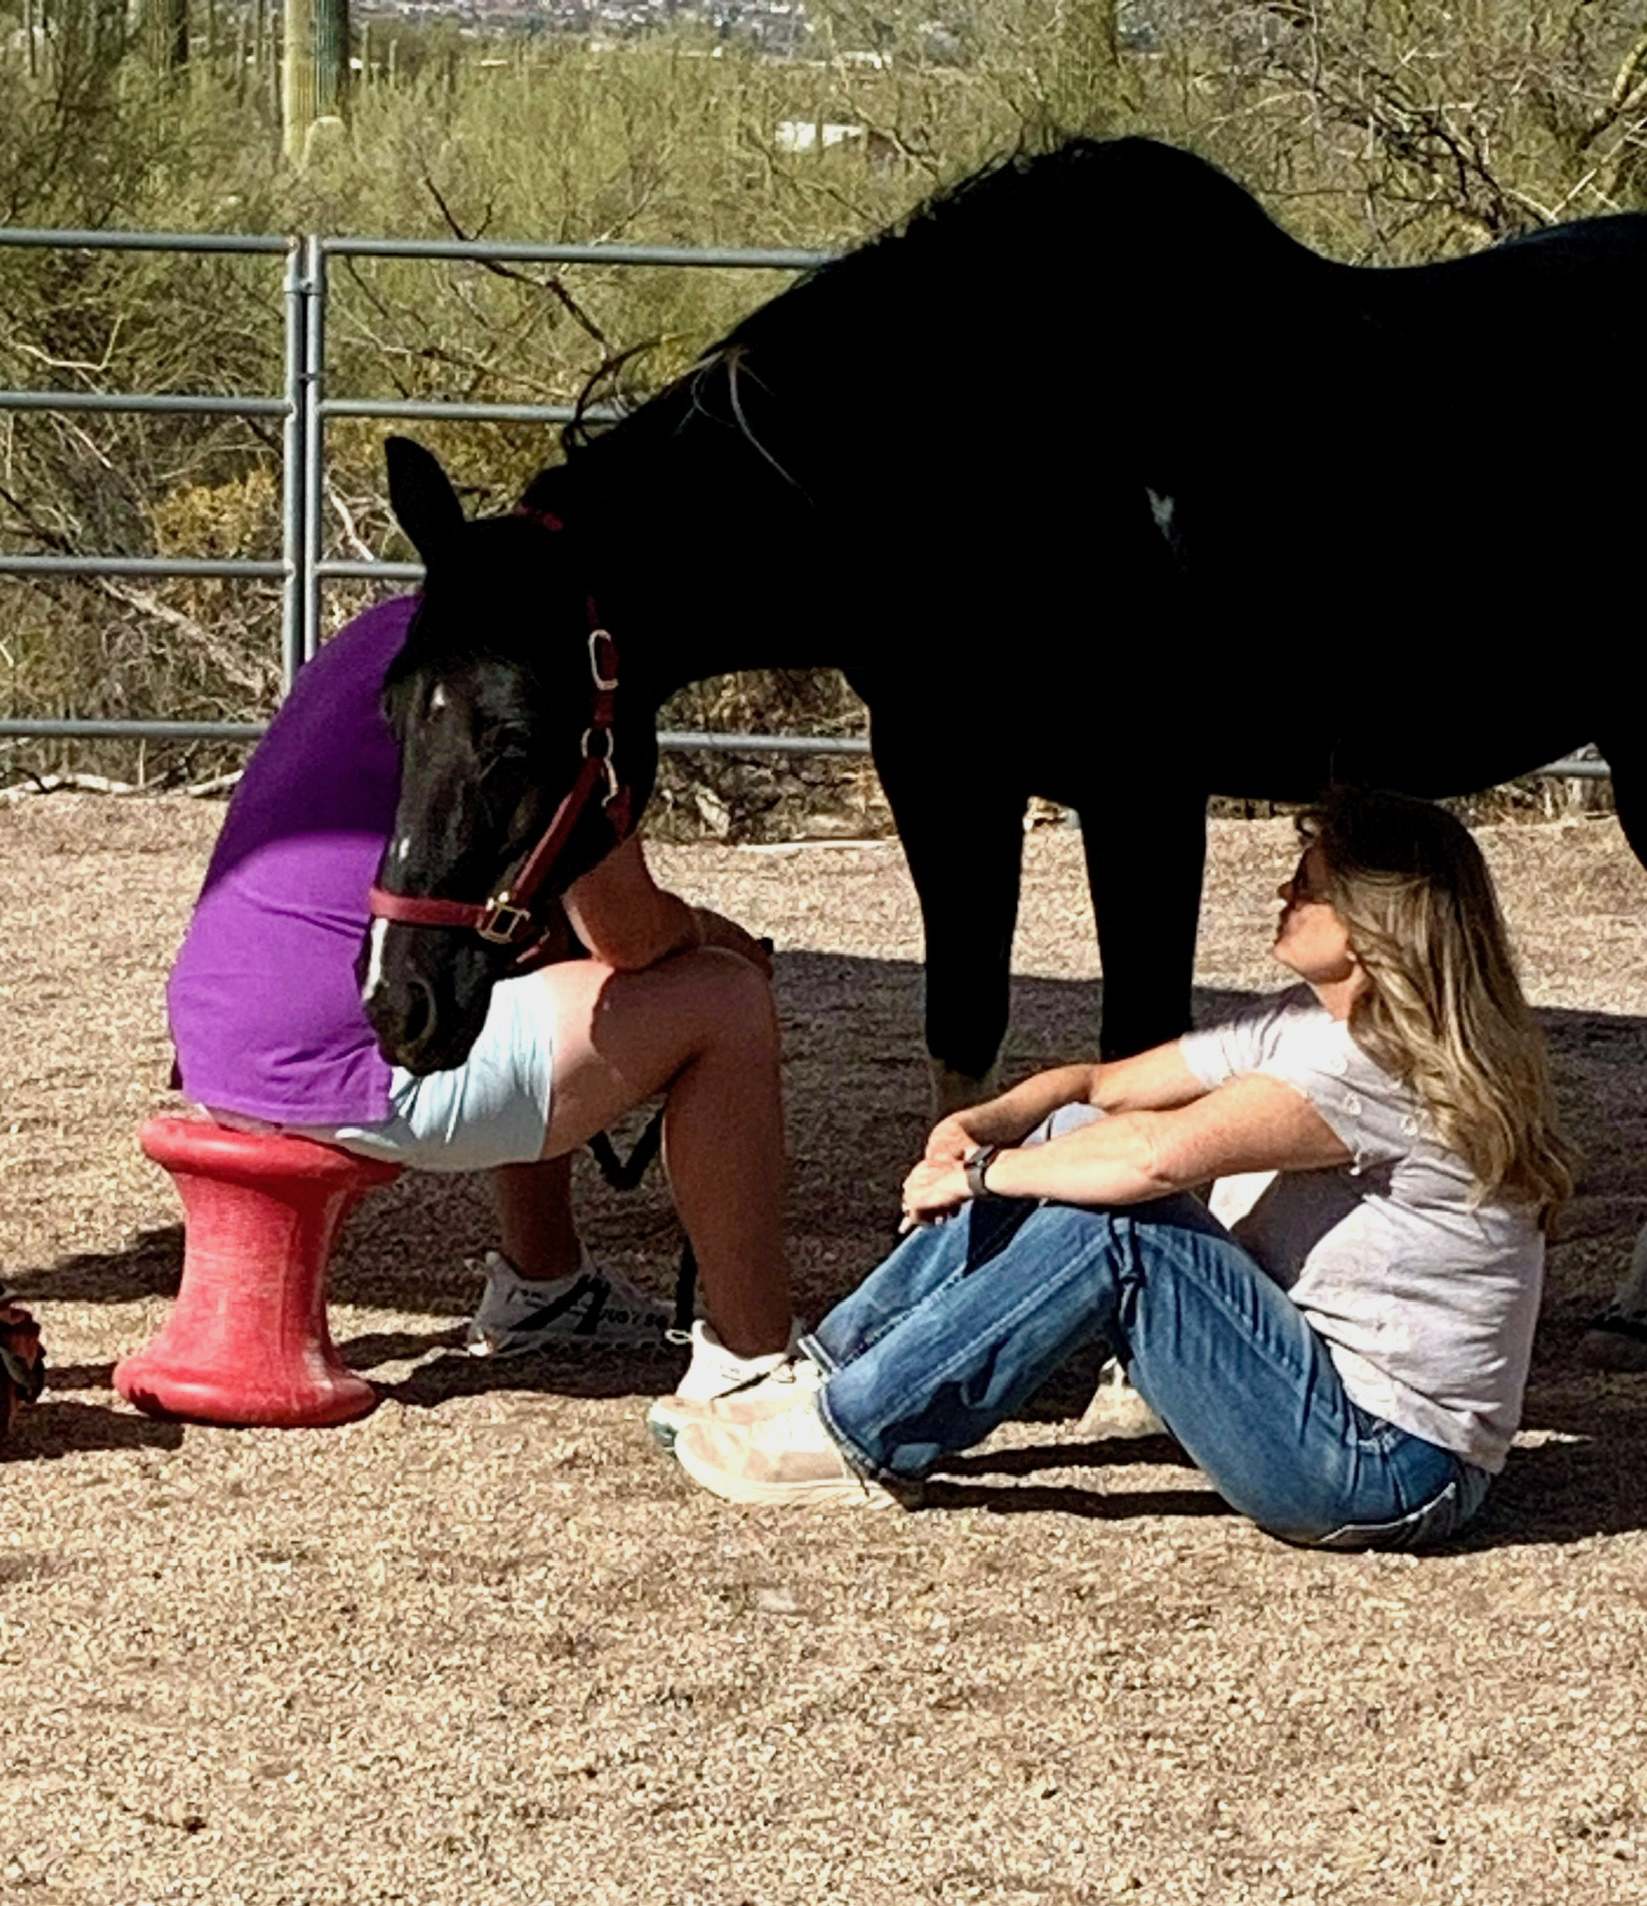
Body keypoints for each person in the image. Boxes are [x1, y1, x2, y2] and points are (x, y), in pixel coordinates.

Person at [670, 788, 1576, 1551]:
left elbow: (1150, 1160)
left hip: (1389, 1466)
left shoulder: (1371, 1067)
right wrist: (983, 1122)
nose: (1279, 892)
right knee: (1067, 1139)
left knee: (1114, 1216)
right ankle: (824, 1375)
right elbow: (1101, 1090)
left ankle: (856, 1435)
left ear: (1371, 921)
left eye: (1306, 886)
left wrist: (982, 1178)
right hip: (1333, 1410)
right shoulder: (1311, 1025)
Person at [167, 595, 798, 1426]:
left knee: (528, 942)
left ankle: (545, 1283)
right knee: (724, 1000)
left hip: (221, 1039)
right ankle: (750, 1362)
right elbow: (632, 933)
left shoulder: (389, 632)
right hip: (348, 1063)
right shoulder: (533, 674)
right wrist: (723, 938)